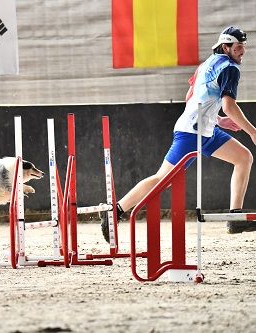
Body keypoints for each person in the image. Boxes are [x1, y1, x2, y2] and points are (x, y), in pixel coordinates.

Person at [101, 26, 256, 240]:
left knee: (243, 158)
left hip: (205, 130)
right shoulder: (230, 68)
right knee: (162, 179)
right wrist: (252, 132)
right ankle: (114, 211)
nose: (243, 51)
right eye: (238, 47)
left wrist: (217, 120)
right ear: (225, 47)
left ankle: (234, 218)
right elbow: (229, 106)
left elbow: (191, 96)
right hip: (192, 133)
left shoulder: (205, 65)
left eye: (243, 47)